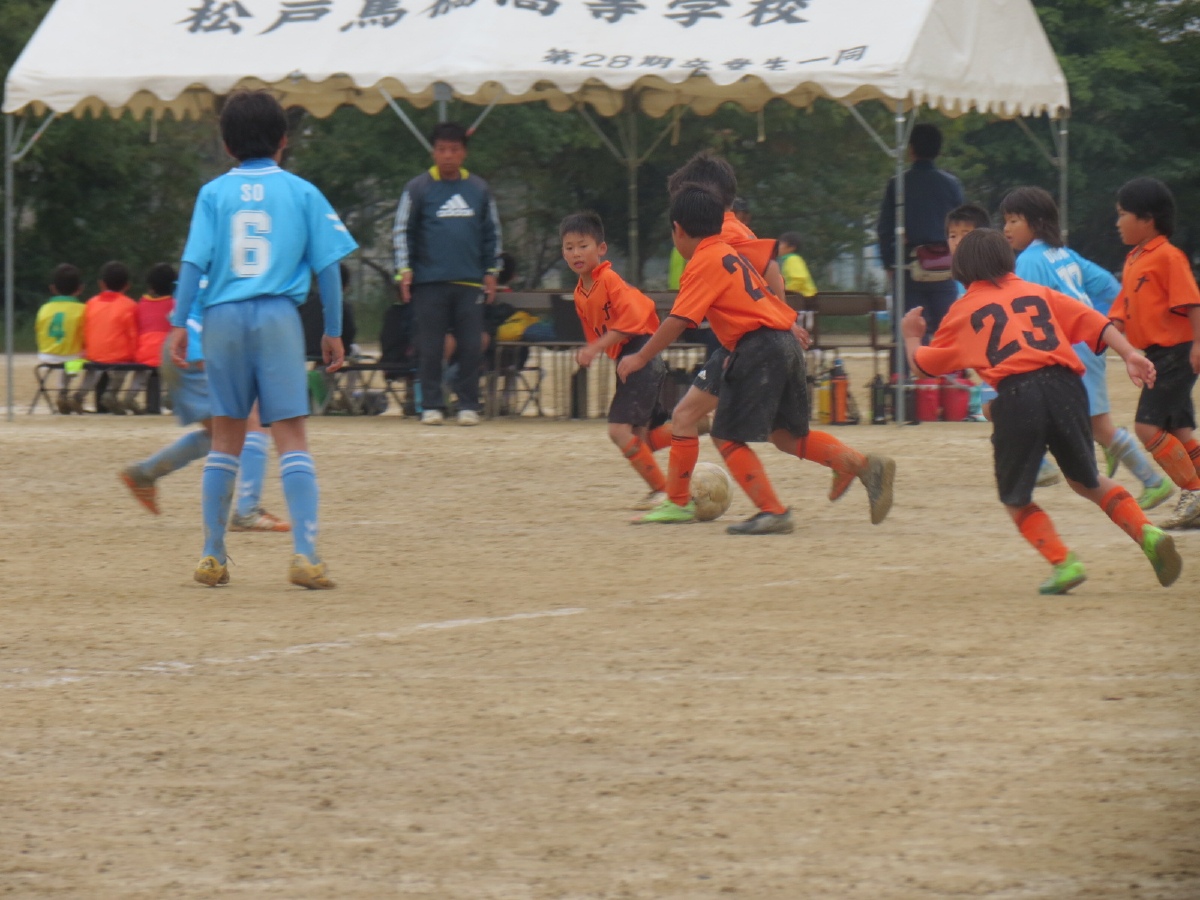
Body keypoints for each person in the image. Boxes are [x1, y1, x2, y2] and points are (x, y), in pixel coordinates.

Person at [904, 228, 1180, 593]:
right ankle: (1147, 532)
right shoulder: (1037, 293)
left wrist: (911, 336)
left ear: (962, 271)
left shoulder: (963, 310)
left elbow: (923, 367)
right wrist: (1129, 353)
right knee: (1088, 481)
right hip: (1067, 387)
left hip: (1017, 395)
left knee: (1014, 497)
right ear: (1008, 261)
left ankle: (1064, 563)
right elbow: (1094, 322)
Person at [618, 184, 895, 534]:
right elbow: (768, 279)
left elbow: (678, 320)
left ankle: (769, 511)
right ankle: (863, 465)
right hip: (782, 341)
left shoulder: (702, 262)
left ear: (678, 230)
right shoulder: (728, 252)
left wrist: (641, 356)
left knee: (725, 434)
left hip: (756, 348)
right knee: (785, 435)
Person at [167, 89, 357, 589]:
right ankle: (306, 556)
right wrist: (333, 330)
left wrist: (179, 322)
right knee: (291, 434)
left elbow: (193, 262)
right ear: (283, 141)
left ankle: (212, 555)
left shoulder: (213, 194)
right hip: (277, 315)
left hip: (221, 317)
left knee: (226, 437)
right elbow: (328, 265)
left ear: (227, 145)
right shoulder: (302, 192)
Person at [664, 152, 881, 516]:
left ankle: (679, 503)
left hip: (747, 341)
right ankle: (855, 463)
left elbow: (771, 273)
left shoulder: (722, 232)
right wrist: (783, 319)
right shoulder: (738, 228)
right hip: (760, 335)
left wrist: (781, 317)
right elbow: (768, 272)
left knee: (688, 416)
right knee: (785, 435)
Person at [1000, 186, 1171, 510]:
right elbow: (1108, 285)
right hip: (1089, 345)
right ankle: (1138, 474)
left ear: (1036, 222)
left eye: (1013, 221)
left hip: (1069, 353)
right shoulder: (1063, 253)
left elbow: (1024, 313)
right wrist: (1107, 323)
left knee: (1094, 425)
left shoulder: (1028, 262)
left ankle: (1153, 481)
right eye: (1005, 221)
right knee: (1092, 424)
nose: (1006, 228)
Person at [120, 308, 290, 533]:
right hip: (200, 348)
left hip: (186, 345)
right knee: (251, 424)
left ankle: (145, 473)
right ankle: (247, 511)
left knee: (225, 435)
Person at [393, 121, 502, 427]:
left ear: (464, 153)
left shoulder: (479, 189)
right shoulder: (418, 188)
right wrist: (404, 271)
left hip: (470, 280)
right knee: (430, 346)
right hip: (429, 281)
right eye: (442, 149)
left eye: (454, 150)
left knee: (471, 345)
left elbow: (492, 232)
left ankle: (468, 404)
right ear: (433, 152)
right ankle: (431, 405)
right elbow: (402, 231)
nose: (448, 156)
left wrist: (491, 271)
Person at [1108, 177, 1200, 530]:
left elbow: (1192, 303)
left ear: (1147, 219)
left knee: (1147, 426)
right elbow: (1121, 310)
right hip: (1157, 353)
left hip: (1176, 352)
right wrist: (1103, 330)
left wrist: (1198, 344)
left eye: (1123, 214)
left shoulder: (1168, 257)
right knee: (1179, 430)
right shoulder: (1134, 258)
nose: (1117, 223)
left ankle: (1193, 492)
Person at [562, 210, 672, 507]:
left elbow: (632, 322)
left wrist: (595, 348)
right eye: (569, 247)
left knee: (618, 431)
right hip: (630, 358)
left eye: (583, 245)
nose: (576, 253)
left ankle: (662, 492)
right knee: (640, 438)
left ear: (601, 248)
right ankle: (696, 424)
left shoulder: (609, 279)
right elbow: (597, 336)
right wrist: (593, 350)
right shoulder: (580, 293)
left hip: (641, 353)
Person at [876, 123, 965, 340]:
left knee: (910, 334)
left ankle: (909, 364)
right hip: (944, 267)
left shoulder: (898, 184)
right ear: (938, 150)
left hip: (909, 267)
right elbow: (963, 225)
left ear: (911, 149)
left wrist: (889, 263)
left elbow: (885, 229)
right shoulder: (951, 184)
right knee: (948, 332)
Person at [74, 261, 139, 413]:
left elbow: (85, 329)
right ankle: (111, 393)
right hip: (118, 357)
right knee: (122, 367)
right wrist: (135, 354)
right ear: (127, 285)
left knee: (95, 368)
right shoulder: (130, 305)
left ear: (101, 284)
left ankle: (80, 395)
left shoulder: (91, 303)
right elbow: (133, 334)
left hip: (93, 354)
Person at [122, 263, 177, 413]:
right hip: (166, 354)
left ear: (150, 287)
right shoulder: (175, 305)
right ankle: (171, 396)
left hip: (144, 353)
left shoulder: (140, 305)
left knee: (140, 373)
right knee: (174, 369)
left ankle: (130, 395)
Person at [34, 263, 86, 414]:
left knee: (68, 358)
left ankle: (63, 392)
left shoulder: (44, 308)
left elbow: (38, 331)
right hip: (72, 358)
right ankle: (70, 393)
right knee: (81, 358)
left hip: (46, 356)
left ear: (52, 288)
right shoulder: (83, 309)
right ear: (80, 288)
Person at [775, 231, 818, 297]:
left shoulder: (793, 259)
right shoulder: (787, 260)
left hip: (804, 298)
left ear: (791, 247)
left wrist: (785, 291)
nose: (778, 247)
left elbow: (799, 279)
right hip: (798, 297)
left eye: (781, 244)